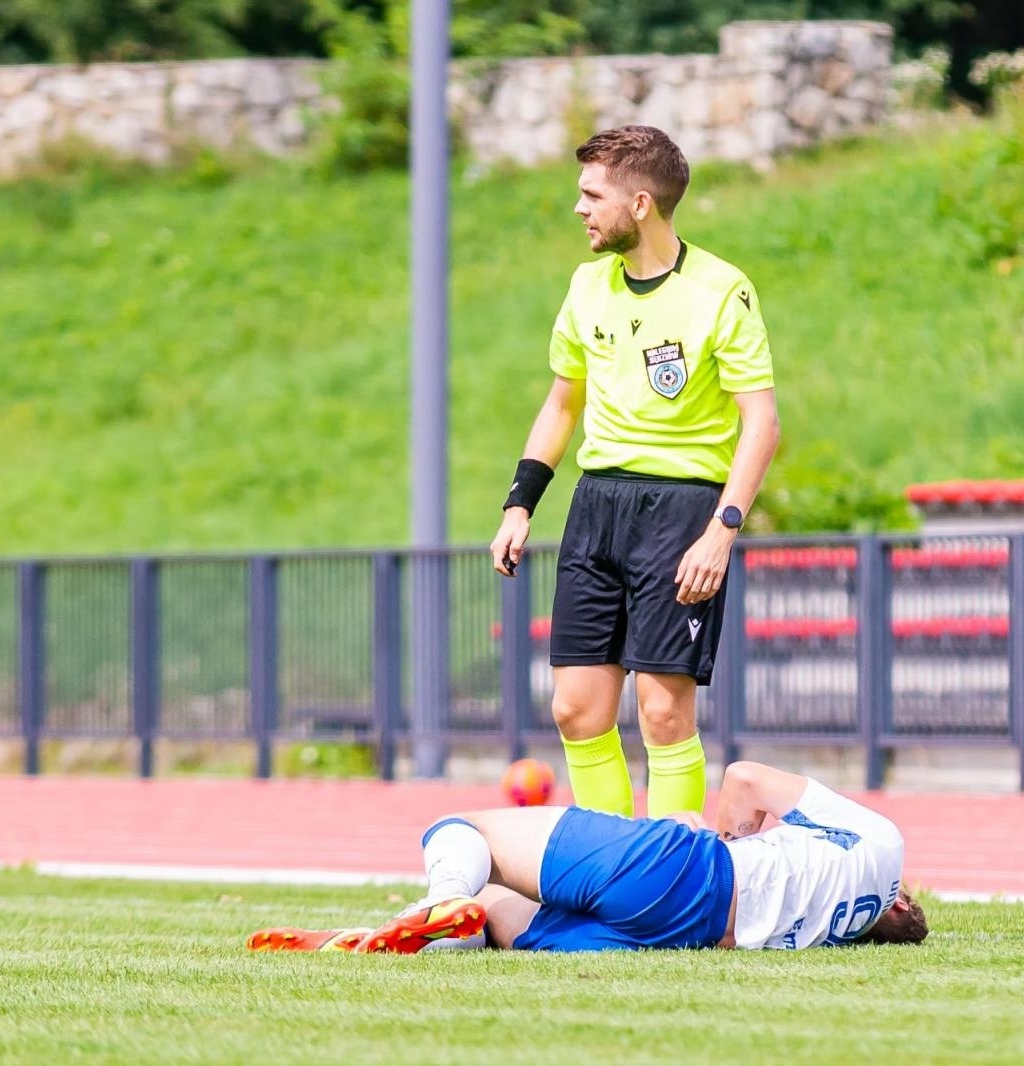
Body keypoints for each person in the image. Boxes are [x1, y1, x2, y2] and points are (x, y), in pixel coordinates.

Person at [490, 125, 781, 821]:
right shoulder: (588, 286)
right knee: (575, 707)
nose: (579, 208)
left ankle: (671, 869)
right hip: (598, 507)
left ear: (642, 203)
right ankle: (613, 871)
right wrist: (519, 505)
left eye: (592, 194)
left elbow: (762, 423)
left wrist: (722, 531)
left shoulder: (721, 290)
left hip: (683, 512)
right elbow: (562, 405)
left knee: (662, 712)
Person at [245, 761, 927, 954]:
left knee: (463, 828)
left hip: (688, 869)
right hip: (682, 938)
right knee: (491, 908)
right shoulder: (838, 929)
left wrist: (729, 834)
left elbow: (746, 779)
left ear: (901, 898)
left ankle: (432, 902)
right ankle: (427, 927)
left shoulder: (883, 846)